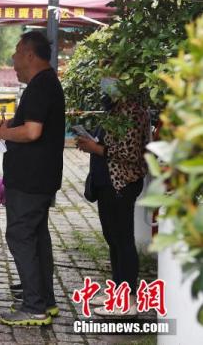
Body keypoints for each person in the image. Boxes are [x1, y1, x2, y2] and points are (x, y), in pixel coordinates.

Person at [0, 31, 65, 326]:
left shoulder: (41, 86)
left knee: (21, 236)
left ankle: (34, 306)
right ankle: (45, 301)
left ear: (30, 55)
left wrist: (3, 134)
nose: (13, 58)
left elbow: (33, 131)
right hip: (40, 177)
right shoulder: (46, 83)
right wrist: (11, 126)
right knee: (37, 238)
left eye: (17, 51)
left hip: (31, 179)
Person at [75, 78, 149, 317]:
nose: (104, 81)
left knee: (123, 239)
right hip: (106, 182)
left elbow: (129, 152)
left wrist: (95, 148)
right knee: (113, 239)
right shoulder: (114, 108)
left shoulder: (133, 110)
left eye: (110, 76)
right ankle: (118, 290)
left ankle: (128, 297)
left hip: (121, 183)